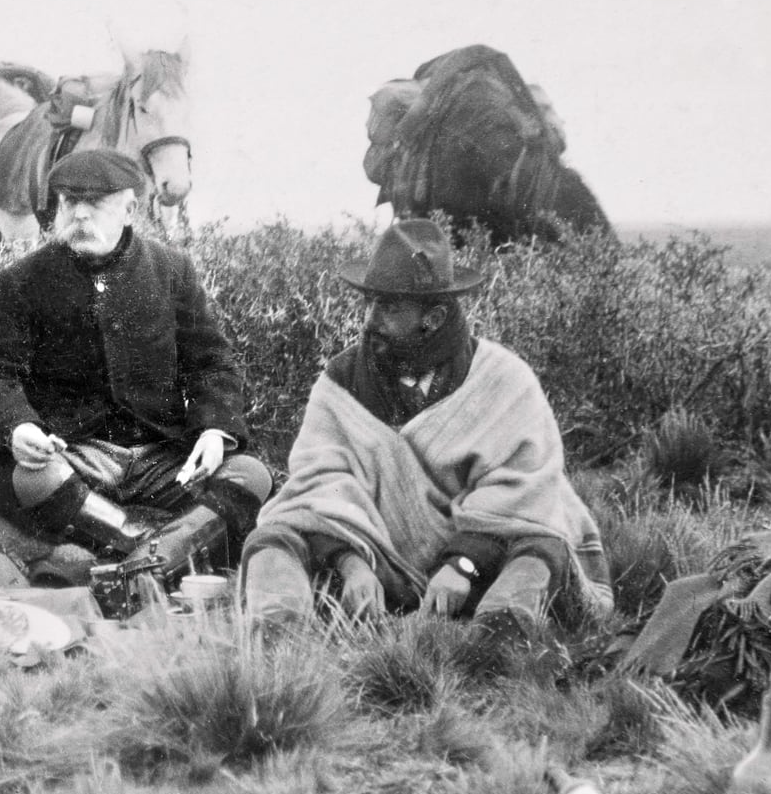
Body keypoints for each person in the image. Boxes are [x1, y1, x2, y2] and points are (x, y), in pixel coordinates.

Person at [239, 219, 610, 628]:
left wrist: (463, 564)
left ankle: (501, 633)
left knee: (540, 546)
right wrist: (352, 564)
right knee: (274, 537)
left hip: (481, 559)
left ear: (432, 317)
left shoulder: (504, 378)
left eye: (389, 306)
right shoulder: (341, 381)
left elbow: (520, 491)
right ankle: (278, 632)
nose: (371, 318)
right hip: (378, 556)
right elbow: (319, 484)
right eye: (370, 302)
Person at [0, 148, 273, 583]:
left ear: (129, 210)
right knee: (34, 480)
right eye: (70, 202)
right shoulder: (24, 280)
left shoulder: (171, 271)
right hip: (74, 454)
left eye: (97, 203)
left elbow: (211, 364)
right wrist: (18, 427)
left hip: (163, 457)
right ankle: (160, 552)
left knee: (251, 475)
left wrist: (214, 430)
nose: (80, 216)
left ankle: (143, 560)